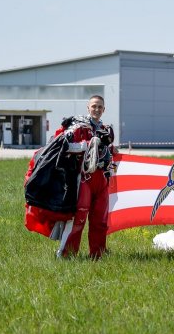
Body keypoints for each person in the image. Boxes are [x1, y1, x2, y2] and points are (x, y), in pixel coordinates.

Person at [59, 95, 117, 259]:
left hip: (102, 179)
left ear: (104, 109)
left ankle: (97, 255)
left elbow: (107, 154)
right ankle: (67, 254)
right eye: (94, 106)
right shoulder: (79, 126)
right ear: (88, 108)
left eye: (100, 107)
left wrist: (112, 153)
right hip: (84, 179)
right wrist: (89, 143)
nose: (97, 109)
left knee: (100, 220)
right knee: (78, 219)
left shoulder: (107, 129)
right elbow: (65, 146)